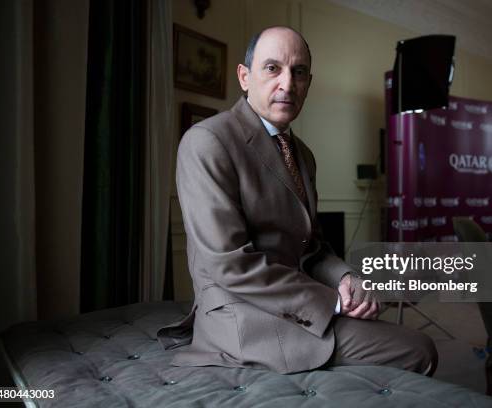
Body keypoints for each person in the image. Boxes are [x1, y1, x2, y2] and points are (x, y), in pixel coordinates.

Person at [158, 26, 437, 375]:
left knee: (411, 344)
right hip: (243, 317)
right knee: (419, 350)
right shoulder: (207, 141)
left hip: (293, 304)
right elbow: (231, 266)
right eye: (273, 68)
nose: (287, 84)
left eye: (299, 72)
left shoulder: (302, 154)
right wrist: (334, 302)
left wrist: (347, 279)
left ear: (308, 82)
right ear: (244, 77)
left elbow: (313, 247)